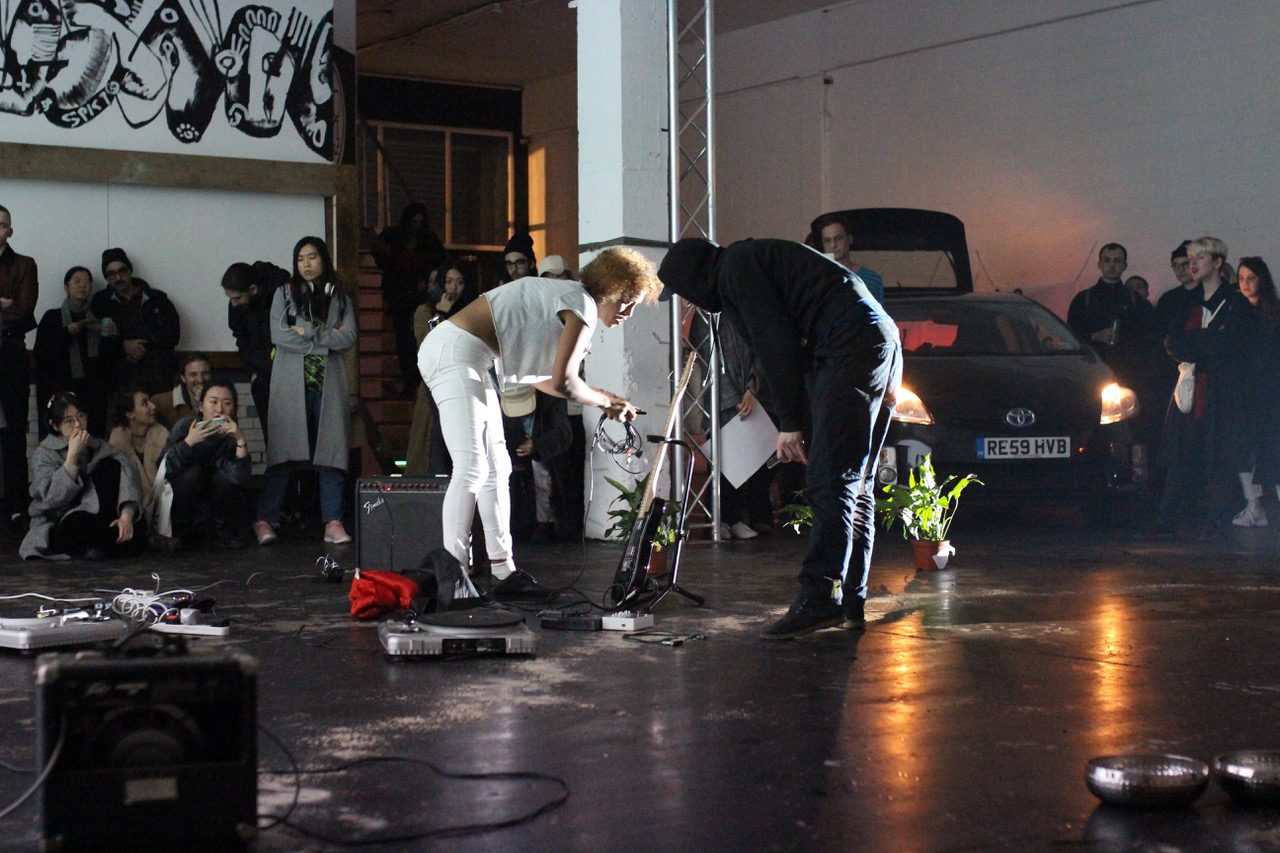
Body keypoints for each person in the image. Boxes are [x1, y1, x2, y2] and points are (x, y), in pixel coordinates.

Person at [658, 237, 901, 639]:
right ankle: (852, 601)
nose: (689, 303)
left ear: (696, 278)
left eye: (685, 293)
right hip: (876, 341)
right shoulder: (751, 261)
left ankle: (819, 598)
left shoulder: (737, 270)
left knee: (831, 481)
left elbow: (776, 344)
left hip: (851, 345)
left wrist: (791, 422)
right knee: (856, 484)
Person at [417, 246, 660, 597]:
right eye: (629, 301)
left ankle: (504, 572)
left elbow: (542, 379)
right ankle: (452, 579)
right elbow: (564, 382)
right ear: (612, 289)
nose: (630, 311)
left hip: (471, 356)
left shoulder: (567, 298)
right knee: (471, 466)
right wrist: (605, 400)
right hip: (455, 352)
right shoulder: (582, 303)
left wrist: (601, 398)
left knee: (496, 467)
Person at [1154, 237, 1265, 537]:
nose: (1193, 264)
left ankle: (1215, 518)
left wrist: (1196, 345)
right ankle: (1169, 518)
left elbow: (1227, 344)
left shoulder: (1235, 303)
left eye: (1200, 258)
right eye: (1191, 258)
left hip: (1222, 391)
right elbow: (1173, 342)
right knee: (1182, 454)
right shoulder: (1188, 303)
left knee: (1219, 455)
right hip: (1193, 388)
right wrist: (1199, 345)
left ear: (1217, 262)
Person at [254, 237, 357, 546]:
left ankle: (333, 521)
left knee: (331, 453)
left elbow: (348, 337)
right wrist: (326, 339)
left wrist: (310, 332)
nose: (307, 264)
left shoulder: (339, 297)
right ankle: (265, 518)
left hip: (328, 385)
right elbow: (280, 336)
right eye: (301, 259)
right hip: (291, 385)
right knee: (282, 454)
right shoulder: (283, 294)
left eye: (313, 257)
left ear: (323, 259)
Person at [21, 392, 142, 560]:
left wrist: (126, 514)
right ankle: (117, 542)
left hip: (101, 515)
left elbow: (128, 471)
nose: (78, 424)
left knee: (110, 465)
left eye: (81, 416)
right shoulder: (43, 454)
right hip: (62, 519)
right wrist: (71, 458)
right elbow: (52, 497)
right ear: (55, 425)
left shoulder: (96, 445)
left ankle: (108, 540)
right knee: (77, 525)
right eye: (69, 421)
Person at [158, 380, 252, 550]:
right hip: (183, 498)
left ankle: (219, 528)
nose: (220, 409)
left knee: (225, 476)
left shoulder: (232, 434)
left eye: (227, 403)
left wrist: (240, 439)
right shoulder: (186, 426)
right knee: (192, 473)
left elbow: (240, 478)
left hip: (216, 500)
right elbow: (164, 468)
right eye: (213, 402)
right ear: (201, 406)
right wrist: (188, 442)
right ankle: (180, 531)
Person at [405, 259, 474, 476]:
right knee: (434, 455)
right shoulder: (425, 312)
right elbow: (429, 349)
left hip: (465, 389)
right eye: (449, 281)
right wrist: (441, 315)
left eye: (460, 282)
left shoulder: (471, 311)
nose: (453, 288)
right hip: (434, 391)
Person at [34, 266, 119, 438]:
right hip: (60, 389)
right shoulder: (53, 317)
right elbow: (42, 353)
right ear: (67, 287)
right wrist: (67, 333)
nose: (83, 286)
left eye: (87, 282)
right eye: (77, 281)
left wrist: (113, 336)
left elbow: (109, 358)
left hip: (92, 391)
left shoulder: (98, 317)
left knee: (93, 438)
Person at [374, 204, 445, 396]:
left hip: (419, 295)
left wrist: (427, 282)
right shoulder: (395, 237)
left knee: (420, 339)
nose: (416, 226)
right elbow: (380, 251)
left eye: (419, 223)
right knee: (404, 341)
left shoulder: (428, 240)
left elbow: (440, 260)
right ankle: (409, 382)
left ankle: (418, 382)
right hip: (400, 295)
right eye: (413, 222)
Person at [1231, 256, 1280, 528]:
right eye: (1241, 279)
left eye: (1251, 278)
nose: (1246, 284)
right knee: (1245, 451)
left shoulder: (1273, 313)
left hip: (1270, 391)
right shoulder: (1236, 313)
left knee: (1272, 449)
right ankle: (1254, 506)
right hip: (1245, 393)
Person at [91, 248, 181, 394]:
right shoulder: (100, 303)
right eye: (111, 274)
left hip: (159, 374)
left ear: (130, 270)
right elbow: (95, 341)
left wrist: (143, 345)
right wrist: (123, 345)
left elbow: (174, 334)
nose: (118, 277)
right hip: (121, 379)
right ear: (106, 278)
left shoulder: (157, 298)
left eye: (122, 271)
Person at [0, 204, 39, 525]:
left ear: (10, 230)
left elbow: (24, 312)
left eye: (2, 225)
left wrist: (9, 309)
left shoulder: (24, 264)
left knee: (14, 431)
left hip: (11, 354)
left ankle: (16, 503)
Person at [223, 261, 284, 442]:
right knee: (270, 434)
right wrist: (253, 371)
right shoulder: (238, 305)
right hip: (261, 372)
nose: (233, 304)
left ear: (253, 289)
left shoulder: (281, 294)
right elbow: (241, 338)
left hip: (287, 372)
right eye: (230, 298)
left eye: (237, 298)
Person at [107, 387, 169, 521]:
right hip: (131, 511)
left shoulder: (162, 434)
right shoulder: (117, 443)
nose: (153, 406)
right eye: (145, 403)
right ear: (130, 414)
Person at [812, 213, 885, 304]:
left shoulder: (872, 279)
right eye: (827, 241)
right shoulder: (816, 281)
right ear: (823, 244)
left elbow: (879, 317)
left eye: (838, 238)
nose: (833, 245)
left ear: (849, 239)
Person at [151, 352, 210, 428]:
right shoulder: (160, 402)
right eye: (193, 374)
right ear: (183, 378)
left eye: (205, 373)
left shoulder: (223, 400)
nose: (200, 379)